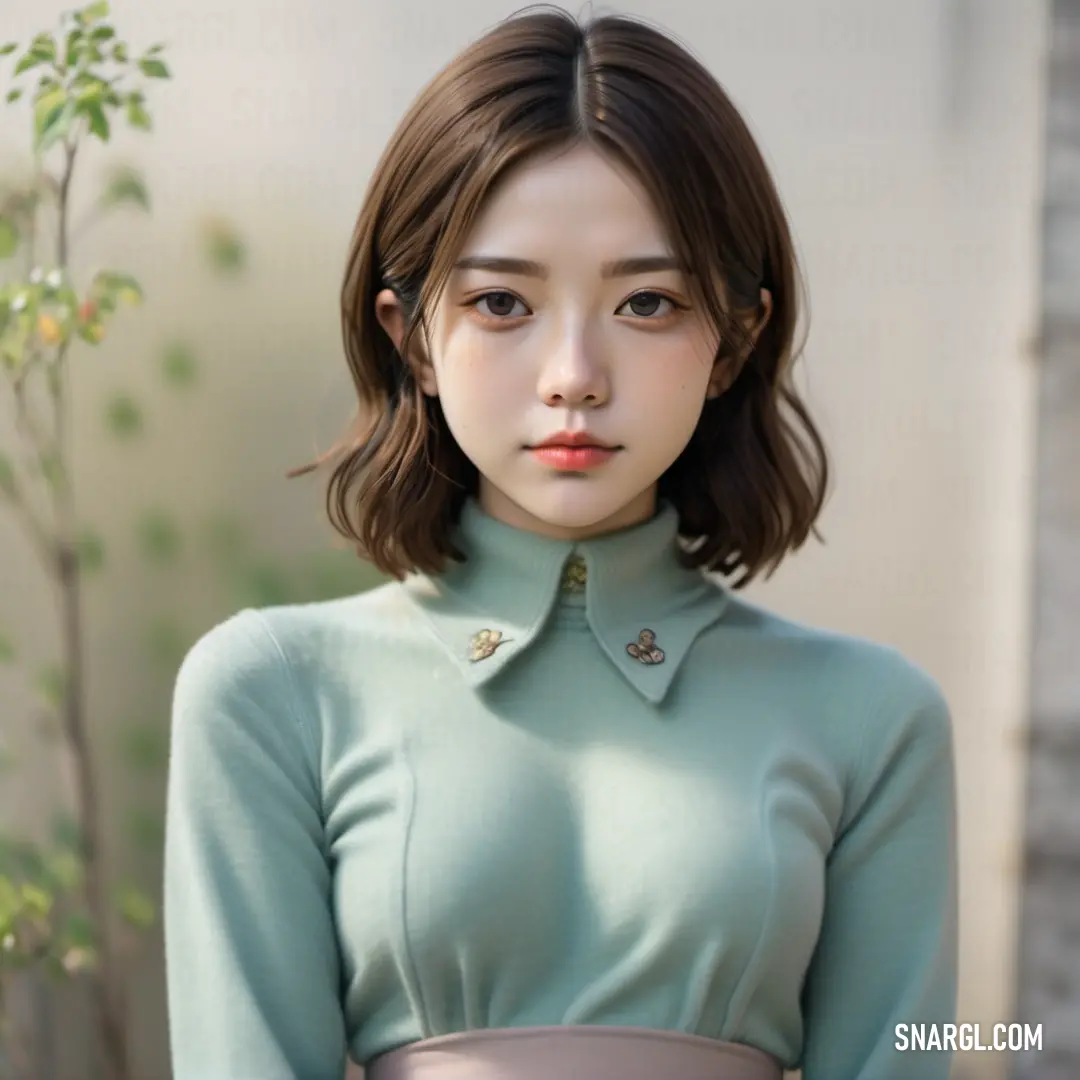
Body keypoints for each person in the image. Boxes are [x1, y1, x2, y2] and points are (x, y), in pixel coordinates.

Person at [163, 7, 958, 1079]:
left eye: (647, 301)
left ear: (735, 338)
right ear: (413, 341)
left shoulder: (878, 722)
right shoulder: (268, 695)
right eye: (501, 301)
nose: (574, 372)